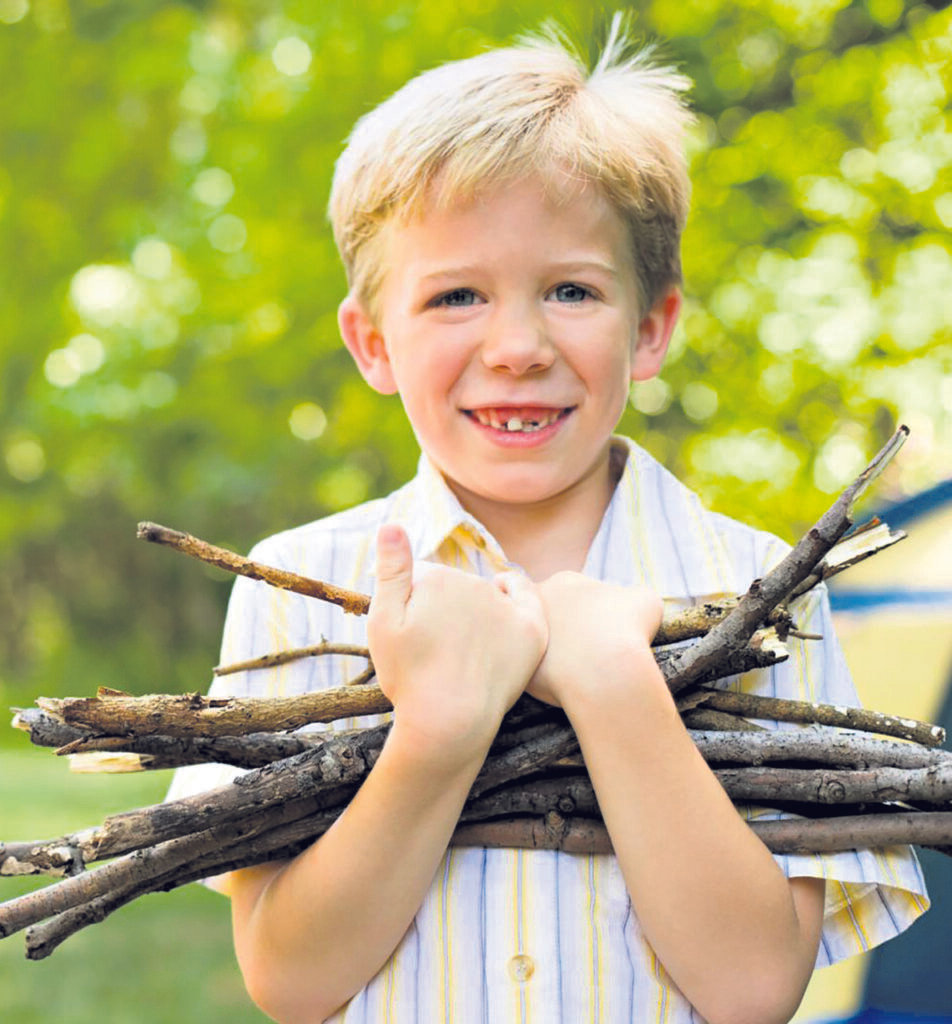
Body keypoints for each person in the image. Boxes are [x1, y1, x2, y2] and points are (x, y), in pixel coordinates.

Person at [167, 19, 928, 1023]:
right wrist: (436, 731)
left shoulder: (762, 595)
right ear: (372, 342)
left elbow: (753, 989)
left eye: (571, 289)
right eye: (454, 296)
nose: (517, 345)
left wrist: (615, 684)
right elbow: (291, 979)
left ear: (651, 326)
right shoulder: (299, 584)